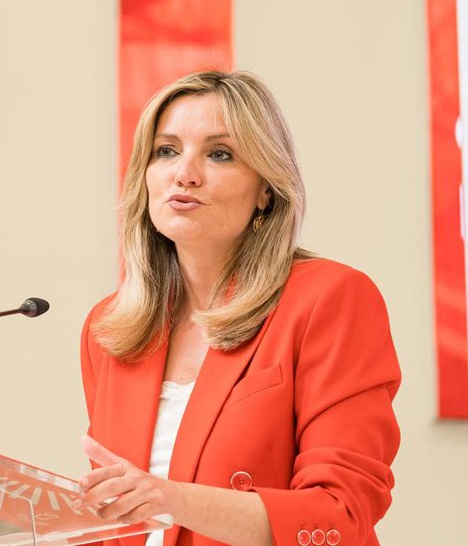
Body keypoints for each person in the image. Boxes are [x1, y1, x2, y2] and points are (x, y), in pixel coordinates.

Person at [77, 70, 400, 546]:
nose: (184, 173)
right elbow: (119, 520)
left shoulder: (331, 299)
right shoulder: (110, 328)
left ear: (266, 188)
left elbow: (340, 516)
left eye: (220, 154)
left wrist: (173, 500)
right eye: (166, 151)